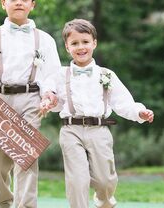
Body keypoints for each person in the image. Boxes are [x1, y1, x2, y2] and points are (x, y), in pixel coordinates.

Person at [40, 19, 154, 208]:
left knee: (105, 181)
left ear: (94, 43)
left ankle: (104, 202)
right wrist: (48, 99)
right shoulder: (60, 75)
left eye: (85, 42)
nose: (80, 47)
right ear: (67, 47)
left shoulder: (106, 75)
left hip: (99, 130)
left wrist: (139, 112)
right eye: (74, 43)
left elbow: (122, 102)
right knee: (77, 179)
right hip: (71, 130)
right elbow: (52, 96)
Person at [0, 0, 61, 207]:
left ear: (33, 4)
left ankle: (25, 205)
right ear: (3, 3)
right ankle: (3, 202)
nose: (19, 2)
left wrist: (48, 93)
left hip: (31, 98)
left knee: (27, 157)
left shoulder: (45, 39)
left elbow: (52, 73)